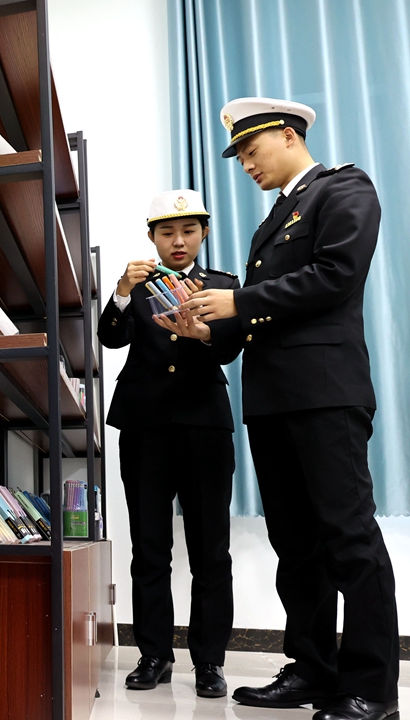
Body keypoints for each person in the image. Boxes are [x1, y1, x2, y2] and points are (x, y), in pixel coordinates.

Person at [160, 97, 398, 720]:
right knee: (297, 547)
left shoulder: (344, 188)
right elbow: (260, 320)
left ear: (287, 135)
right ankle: (314, 670)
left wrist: (237, 304)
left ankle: (372, 689)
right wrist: (206, 331)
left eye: (249, 150)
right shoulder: (274, 221)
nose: (244, 164)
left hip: (325, 393)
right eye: (237, 156)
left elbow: (336, 274)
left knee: (348, 538)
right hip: (271, 402)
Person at [98, 190, 242, 699]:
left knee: (211, 551)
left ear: (203, 233)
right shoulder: (136, 287)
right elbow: (110, 338)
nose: (177, 241)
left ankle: (209, 662)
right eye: (166, 232)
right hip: (145, 424)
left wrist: (204, 332)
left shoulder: (223, 286)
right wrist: (117, 292)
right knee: (149, 546)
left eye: (187, 231)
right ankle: (154, 654)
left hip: (204, 423)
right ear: (152, 238)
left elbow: (232, 346)